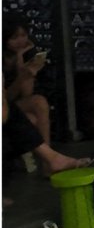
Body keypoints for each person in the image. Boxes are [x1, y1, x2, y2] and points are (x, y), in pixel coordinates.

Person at [2, 16, 88, 176]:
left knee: (39, 102)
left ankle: (48, 161)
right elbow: (6, 100)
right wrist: (21, 75)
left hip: (15, 106)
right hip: (8, 105)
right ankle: (49, 160)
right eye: (14, 37)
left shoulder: (27, 55)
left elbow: (26, 94)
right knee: (32, 116)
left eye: (23, 35)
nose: (20, 41)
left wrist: (24, 67)